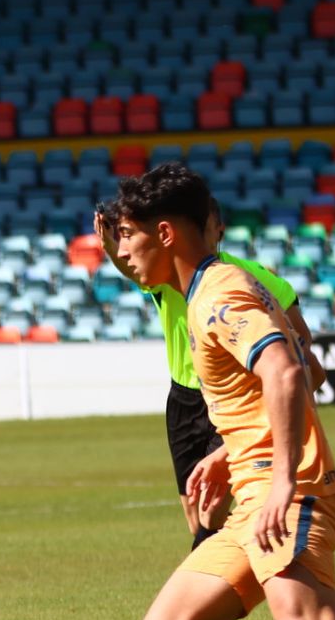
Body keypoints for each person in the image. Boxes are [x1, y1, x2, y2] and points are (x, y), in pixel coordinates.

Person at [114, 164, 335, 620]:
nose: (123, 252)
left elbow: (287, 372)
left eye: (130, 236)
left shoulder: (219, 294)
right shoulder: (203, 292)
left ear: (164, 233)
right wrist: (229, 450)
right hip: (253, 499)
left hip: (286, 494)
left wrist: (279, 480)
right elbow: (294, 369)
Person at [95, 198, 323, 549]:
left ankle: (216, 574)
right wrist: (113, 248)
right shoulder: (170, 273)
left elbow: (301, 346)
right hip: (184, 399)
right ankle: (212, 568)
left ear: (217, 229)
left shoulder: (249, 277)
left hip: (232, 397)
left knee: (213, 509)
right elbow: (134, 269)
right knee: (194, 508)